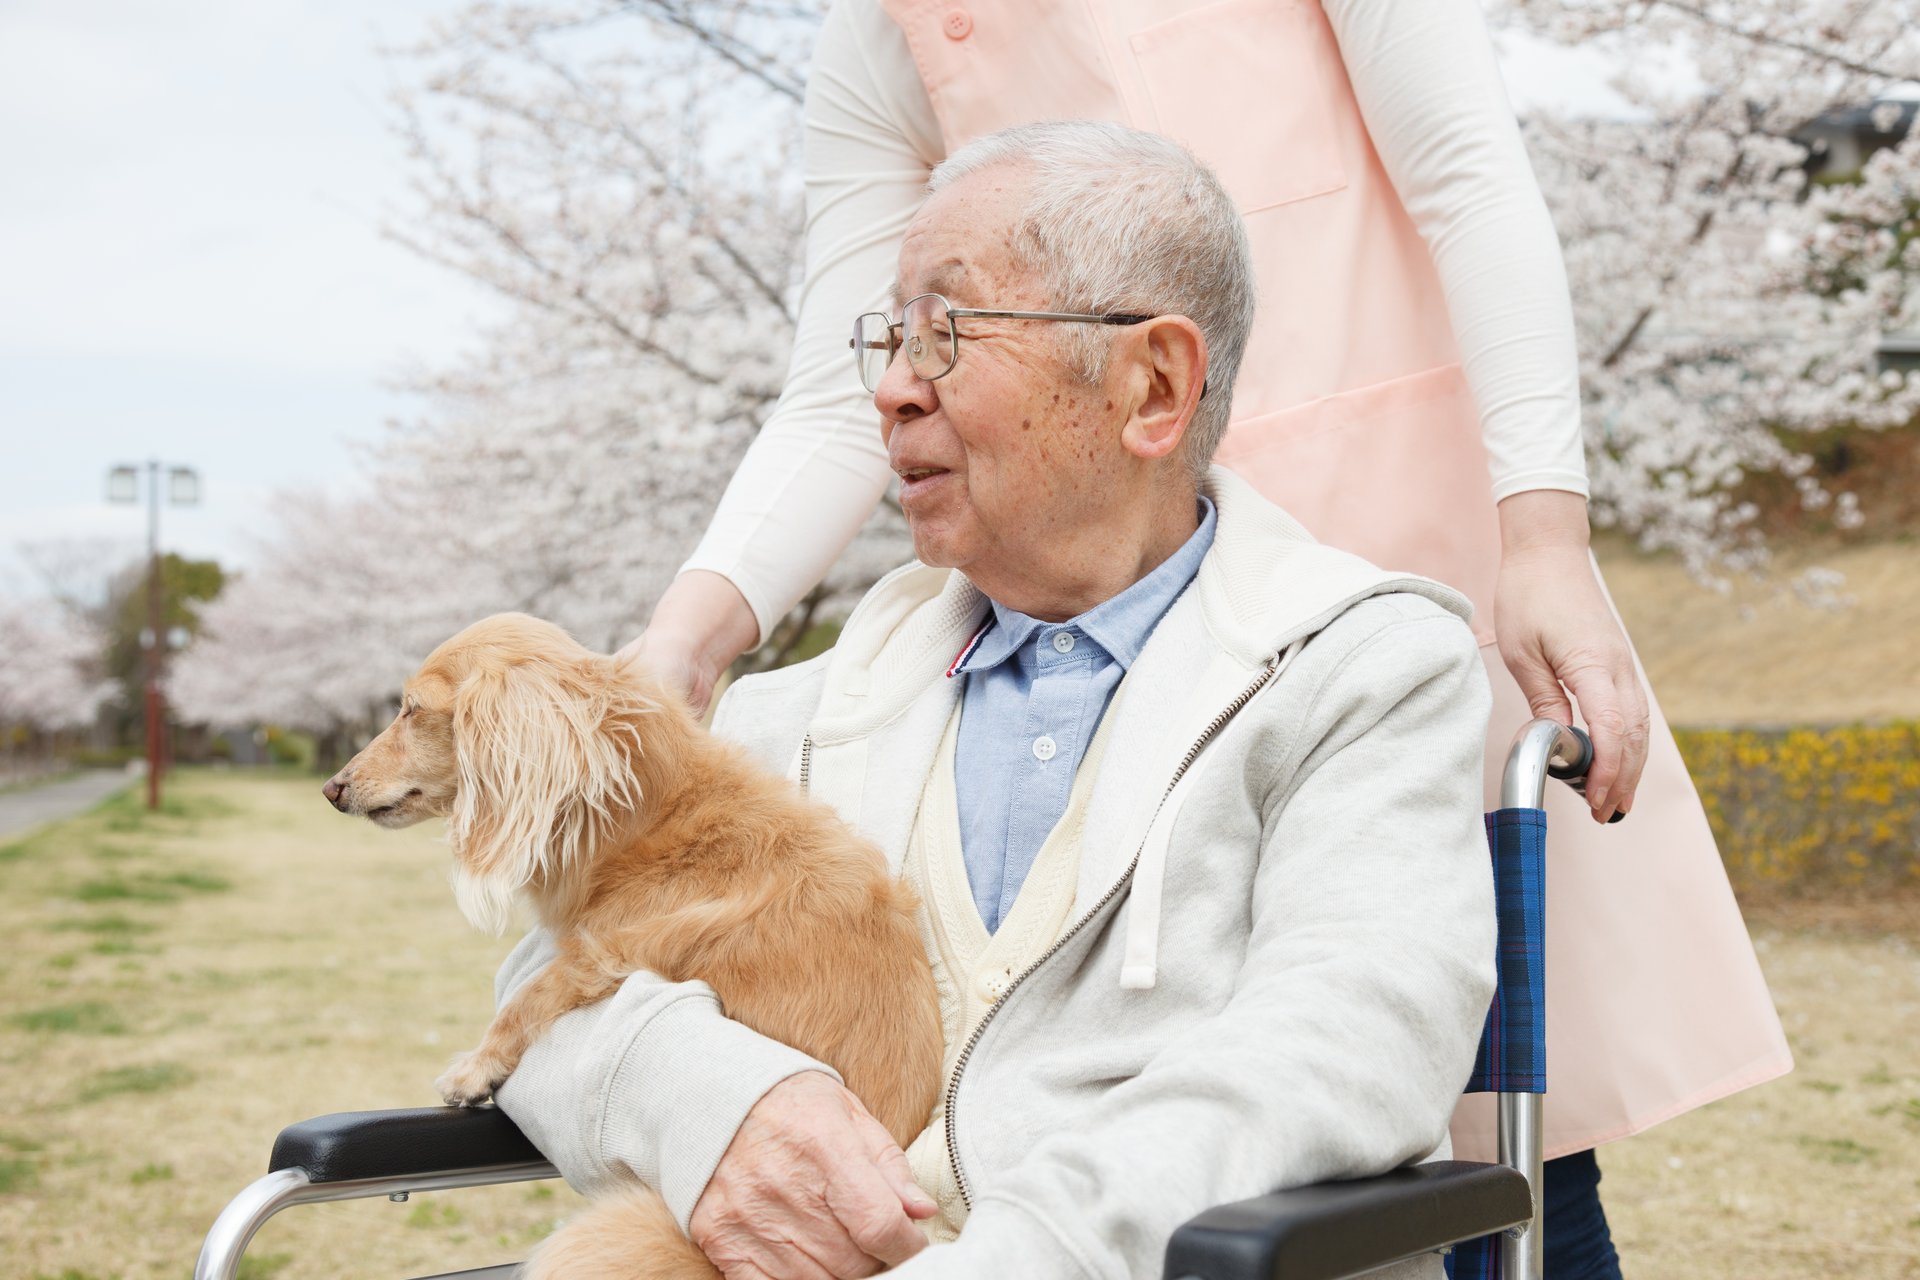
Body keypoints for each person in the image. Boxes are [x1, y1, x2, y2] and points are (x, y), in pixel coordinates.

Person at [621, 2, 1793, 1272]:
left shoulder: (1377, 657)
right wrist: (682, 647)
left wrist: (1545, 540)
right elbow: (840, 381)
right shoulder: (886, 31)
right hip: (1088, 579)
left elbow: (1469, 177)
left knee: (1482, 1112)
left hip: (1380, 535)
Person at [499, 121, 1497, 1280]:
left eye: (946, 334)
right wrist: (716, 1099)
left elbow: (1356, 1039)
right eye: (890, 336)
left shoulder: (1364, 673)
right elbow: (543, 983)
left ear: (1152, 388)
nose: (888, 391)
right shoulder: (798, 715)